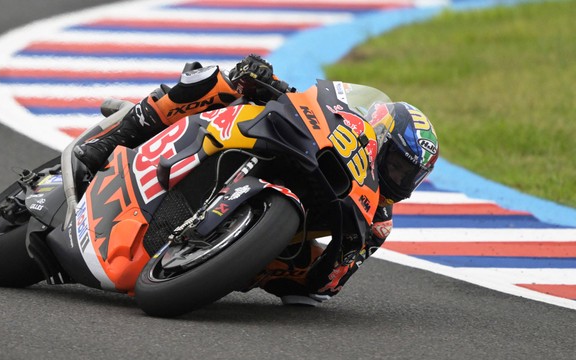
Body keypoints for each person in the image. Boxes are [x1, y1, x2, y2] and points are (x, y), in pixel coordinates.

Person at [74, 54, 439, 306]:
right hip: (254, 137)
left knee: (304, 288)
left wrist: (351, 251)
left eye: (408, 176)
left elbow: (325, 287)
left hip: (269, 243)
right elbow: (306, 103)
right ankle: (111, 139)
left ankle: (216, 256)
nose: (398, 178)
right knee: (216, 82)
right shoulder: (347, 127)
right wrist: (264, 79)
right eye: (396, 165)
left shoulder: (378, 218)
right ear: (380, 135)